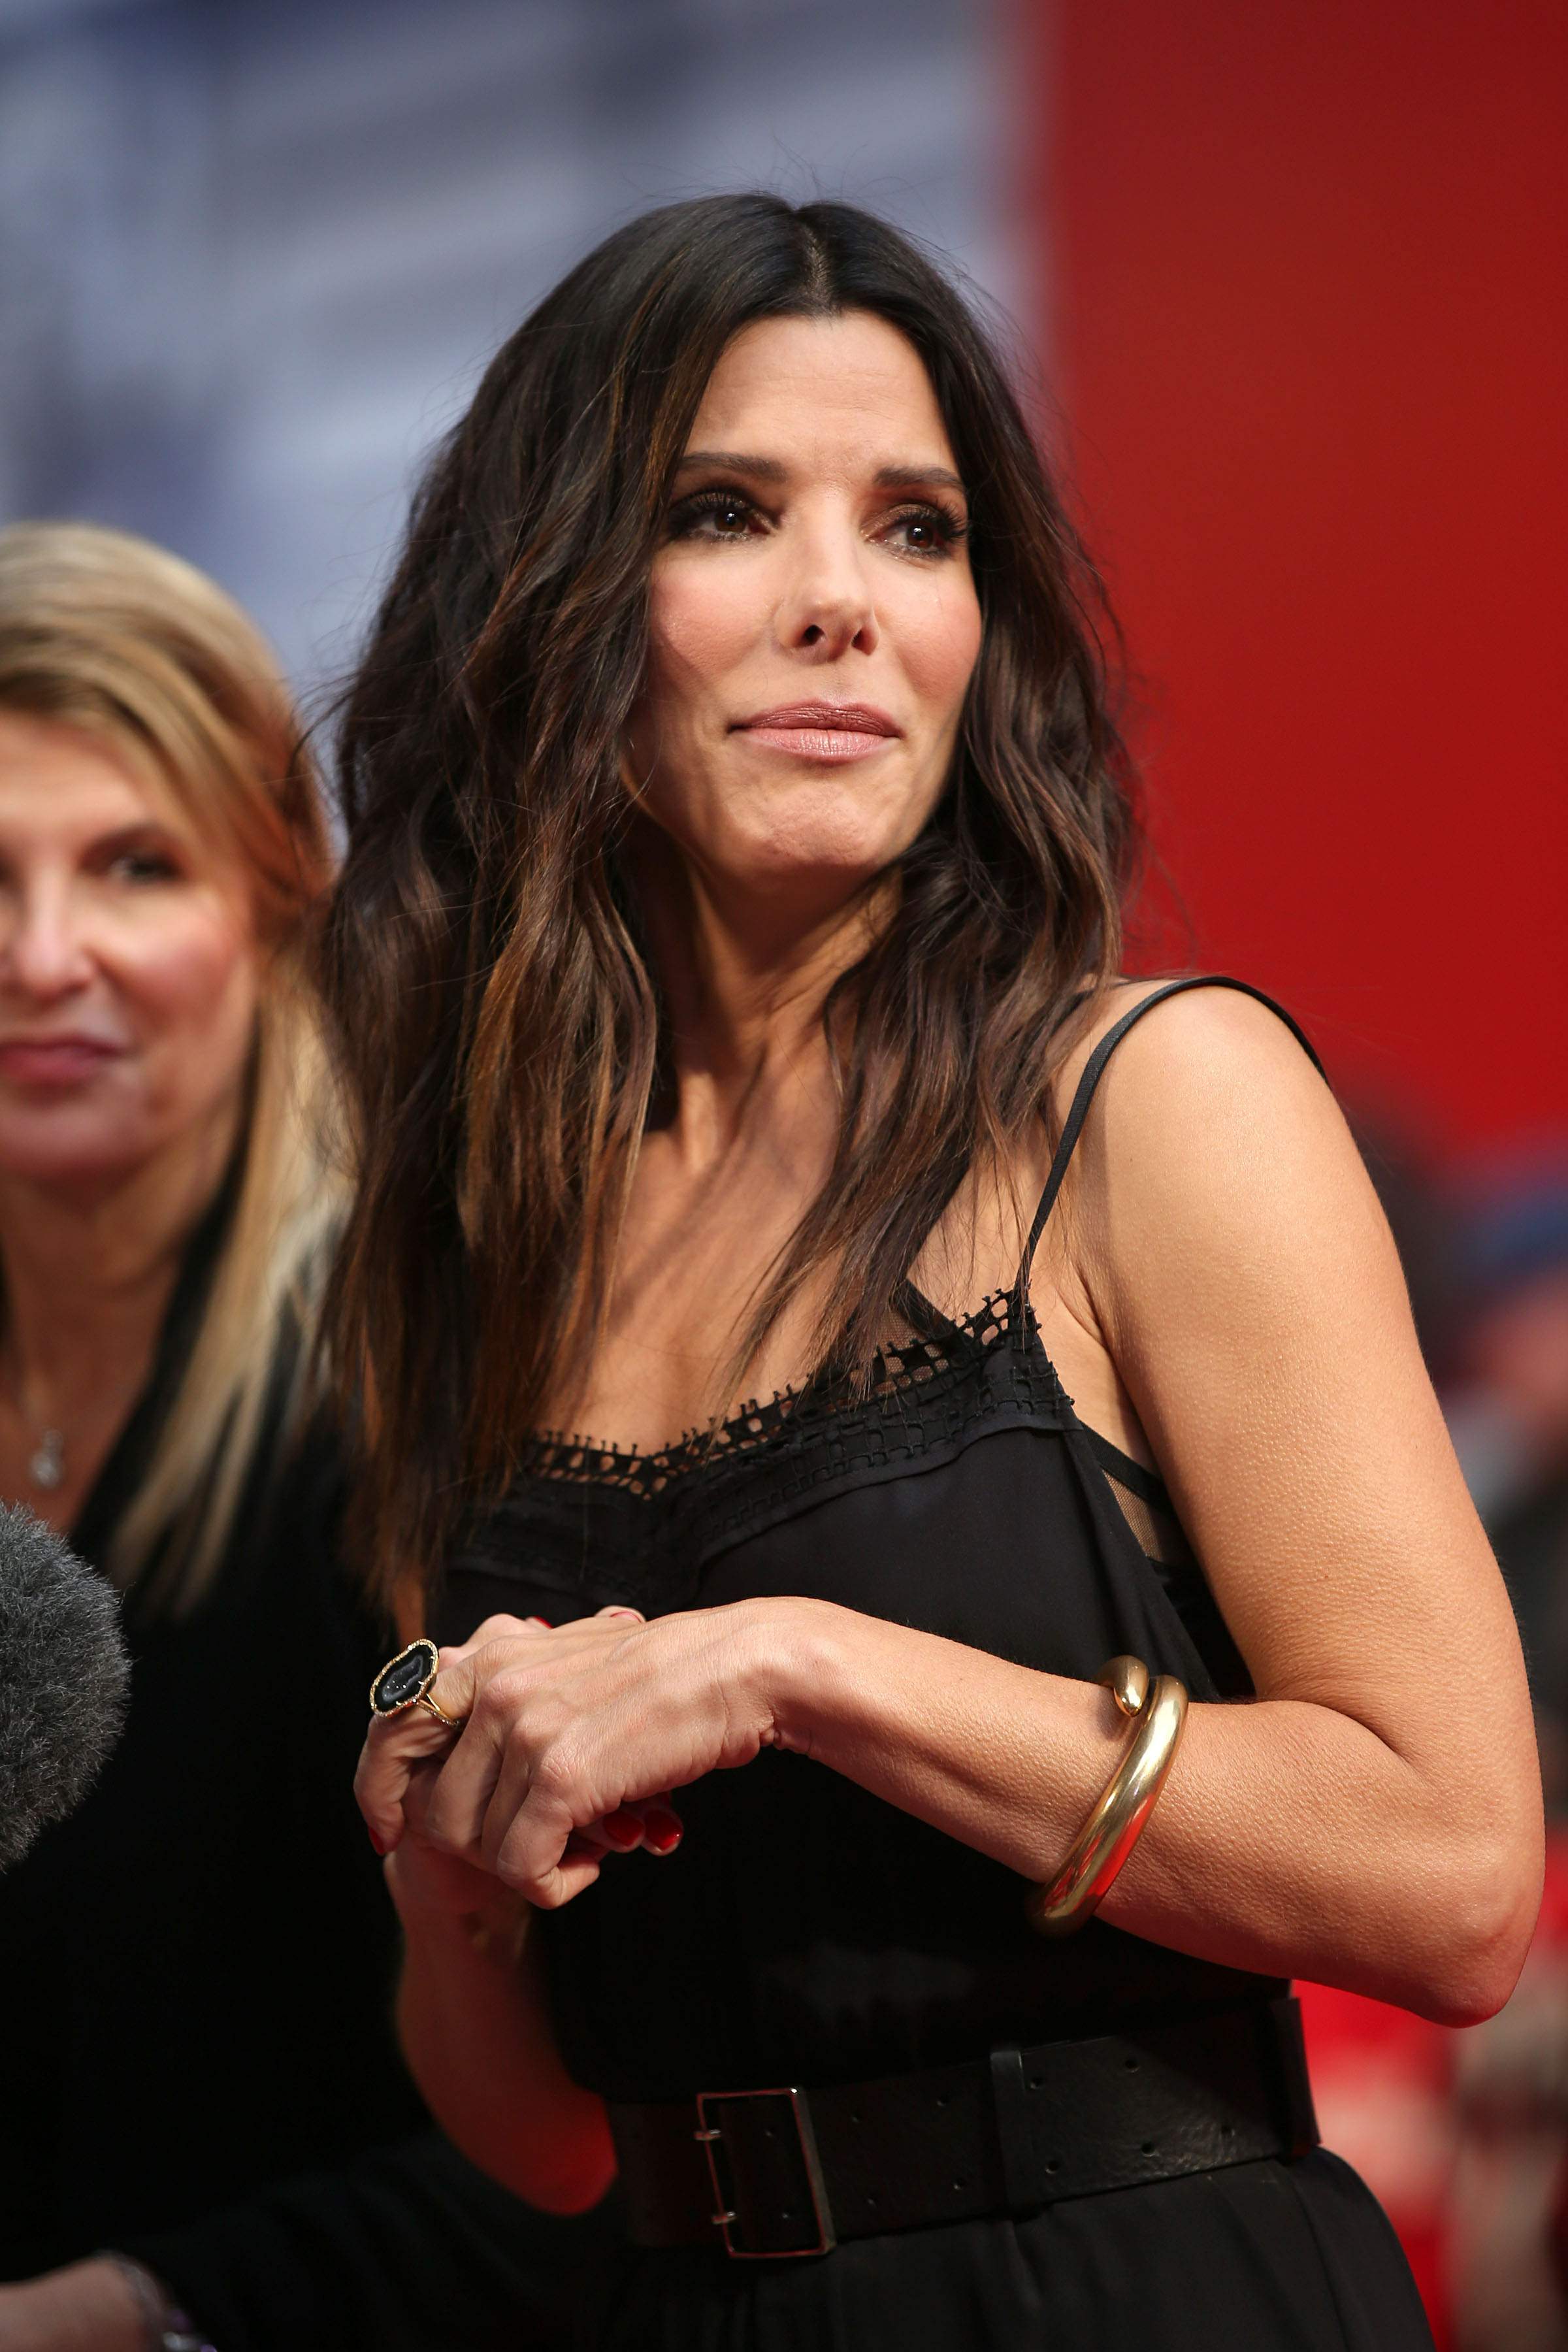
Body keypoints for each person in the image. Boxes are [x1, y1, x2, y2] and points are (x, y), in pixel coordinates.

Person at [331, 195, 1541, 2349]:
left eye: (917, 529)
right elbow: (550, 2143)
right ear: (545, 607)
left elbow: (1450, 1883)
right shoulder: (473, 1236)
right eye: (725, 513)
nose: (844, 602)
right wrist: (453, 1880)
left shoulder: (1154, 1098)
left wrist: (798, 1667)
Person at [0, 523, 607, 2351]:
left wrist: (107, 2319)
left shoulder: (422, 1385)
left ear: (277, 908)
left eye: (135, 866)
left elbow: (585, 2159)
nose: (44, 955)